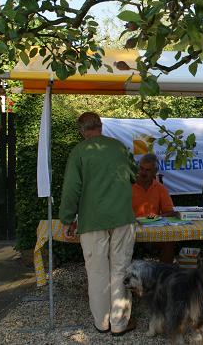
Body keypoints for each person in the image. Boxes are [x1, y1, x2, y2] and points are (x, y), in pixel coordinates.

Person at [59, 112, 137, 336]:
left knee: (97, 272)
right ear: (101, 126)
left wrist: (67, 219)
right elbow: (133, 175)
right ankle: (120, 324)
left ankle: (102, 323)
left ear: (81, 130)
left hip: (92, 220)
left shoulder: (78, 152)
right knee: (121, 269)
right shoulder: (119, 147)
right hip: (122, 217)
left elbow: (71, 189)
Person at [131, 153, 176, 264]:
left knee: (169, 241)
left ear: (155, 172)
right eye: (141, 168)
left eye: (148, 170)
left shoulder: (160, 188)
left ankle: (164, 272)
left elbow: (170, 212)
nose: (143, 173)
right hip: (131, 231)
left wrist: (156, 217)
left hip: (153, 232)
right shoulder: (128, 186)